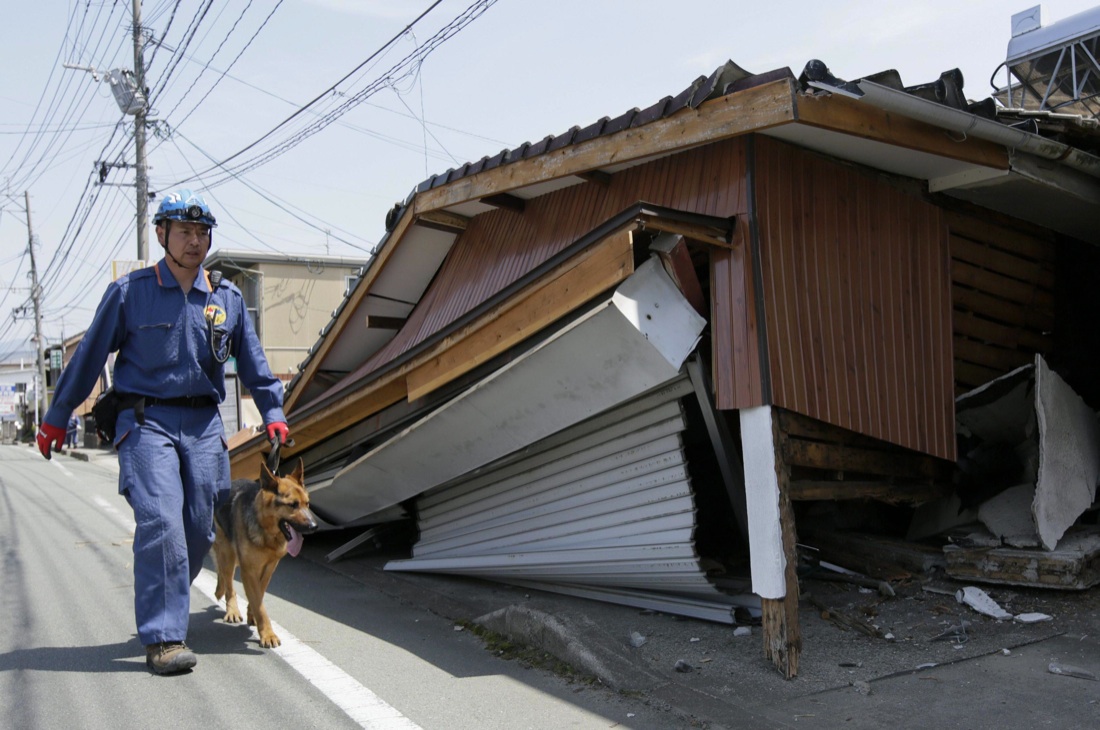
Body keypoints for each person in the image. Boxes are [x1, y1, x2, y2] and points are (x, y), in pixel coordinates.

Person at [36, 189, 289, 675]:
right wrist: (56, 415)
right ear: (162, 235)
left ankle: (170, 595)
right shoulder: (130, 293)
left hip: (202, 427)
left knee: (197, 528)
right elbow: (89, 356)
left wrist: (272, 411)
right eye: (184, 232)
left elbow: (256, 367)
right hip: (146, 421)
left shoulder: (226, 298)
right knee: (162, 525)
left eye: (202, 233)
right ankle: (164, 638)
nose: (195, 242)